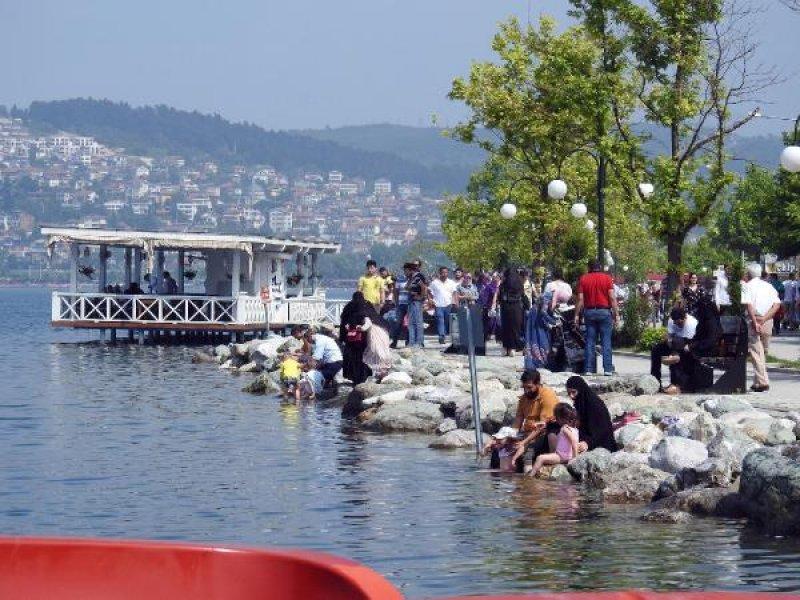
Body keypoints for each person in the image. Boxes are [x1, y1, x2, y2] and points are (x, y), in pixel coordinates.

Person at [509, 369, 559, 472]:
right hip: (527, 434)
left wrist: (524, 442)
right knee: (500, 450)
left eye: (529, 387)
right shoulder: (524, 398)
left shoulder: (547, 396)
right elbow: (518, 421)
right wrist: (510, 437)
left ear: (538, 384)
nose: (526, 391)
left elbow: (542, 426)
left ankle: (529, 481)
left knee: (527, 454)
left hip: (542, 435)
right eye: (524, 387)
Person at [575, 258, 618, 376]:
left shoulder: (584, 278)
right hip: (604, 312)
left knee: (590, 341)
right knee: (606, 341)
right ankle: (608, 369)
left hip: (589, 312)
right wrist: (616, 315)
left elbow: (580, 299)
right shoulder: (607, 278)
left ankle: (588, 369)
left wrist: (577, 314)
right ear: (600, 267)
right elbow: (612, 298)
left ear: (589, 267)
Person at [742, 263, 781, 392]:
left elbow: (749, 305)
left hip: (754, 319)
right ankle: (757, 382)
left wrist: (755, 321)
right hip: (768, 318)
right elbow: (776, 305)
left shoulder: (747, 286)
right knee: (762, 352)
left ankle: (763, 381)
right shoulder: (769, 286)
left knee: (755, 352)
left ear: (749, 273)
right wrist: (765, 319)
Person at [650, 306, 698, 394]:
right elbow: (669, 335)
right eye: (675, 323)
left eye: (679, 323)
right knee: (656, 349)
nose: (677, 325)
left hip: (688, 346)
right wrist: (668, 340)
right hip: (674, 343)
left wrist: (674, 353)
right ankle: (656, 381)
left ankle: (676, 384)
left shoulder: (692, 323)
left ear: (684, 318)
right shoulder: (672, 321)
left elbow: (691, 341)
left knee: (675, 355)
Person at [565, 376, 618, 453]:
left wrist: (588, 443)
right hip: (588, 437)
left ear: (581, 389)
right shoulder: (581, 402)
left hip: (602, 443)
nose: (571, 396)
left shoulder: (594, 404)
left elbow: (603, 430)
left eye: (573, 392)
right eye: (569, 393)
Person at [529, 403, 581, 477]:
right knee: (545, 457)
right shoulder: (575, 429)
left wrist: (575, 458)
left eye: (556, 418)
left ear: (561, 418)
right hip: (566, 456)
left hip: (562, 457)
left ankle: (530, 477)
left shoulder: (564, 429)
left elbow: (574, 441)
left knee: (540, 458)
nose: (556, 420)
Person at [292, 326, 344, 390]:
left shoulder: (320, 341)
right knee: (315, 373)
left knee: (313, 377)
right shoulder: (320, 339)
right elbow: (316, 360)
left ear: (309, 336)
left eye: (308, 340)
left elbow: (314, 360)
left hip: (334, 364)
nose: (309, 342)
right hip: (331, 363)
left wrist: (302, 366)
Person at [339, 292, 374, 385]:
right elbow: (371, 320)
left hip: (351, 339)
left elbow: (343, 321)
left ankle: (355, 378)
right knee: (364, 358)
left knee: (353, 359)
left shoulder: (349, 306)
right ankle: (364, 377)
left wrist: (343, 336)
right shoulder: (366, 305)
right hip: (363, 338)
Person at [492, 268, 525, 357]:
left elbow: (499, 297)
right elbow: (523, 296)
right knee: (515, 328)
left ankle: (505, 348)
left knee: (506, 327)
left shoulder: (503, 284)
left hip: (505, 307)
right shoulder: (519, 284)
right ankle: (513, 349)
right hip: (516, 307)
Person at [429, 266, 457, 344]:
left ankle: (444, 334)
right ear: (440, 273)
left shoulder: (451, 282)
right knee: (440, 320)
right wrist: (430, 300)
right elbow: (428, 291)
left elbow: (455, 293)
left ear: (448, 273)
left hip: (448, 304)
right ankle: (441, 336)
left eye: (446, 272)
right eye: (442, 273)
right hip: (438, 305)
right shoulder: (434, 282)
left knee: (447, 321)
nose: (444, 274)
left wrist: (455, 302)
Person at [405, 261, 428, 348]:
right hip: (411, 301)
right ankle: (411, 341)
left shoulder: (418, 277)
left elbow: (424, 287)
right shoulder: (411, 278)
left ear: (410, 270)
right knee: (411, 322)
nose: (405, 273)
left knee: (418, 322)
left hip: (416, 302)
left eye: (406, 271)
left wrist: (421, 297)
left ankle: (419, 342)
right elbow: (406, 287)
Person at [390, 264, 411, 348]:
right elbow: (396, 291)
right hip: (401, 304)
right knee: (398, 323)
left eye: (408, 270)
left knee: (409, 324)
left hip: (410, 304)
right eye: (405, 270)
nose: (407, 272)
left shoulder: (414, 279)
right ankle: (394, 342)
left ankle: (408, 342)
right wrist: (396, 302)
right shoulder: (399, 279)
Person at [479, 272, 501, 343]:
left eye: (496, 277)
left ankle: (497, 338)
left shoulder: (502, 286)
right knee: (490, 324)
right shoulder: (489, 286)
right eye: (493, 277)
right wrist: (487, 307)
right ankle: (489, 337)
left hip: (500, 308)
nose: (494, 278)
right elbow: (485, 298)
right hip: (490, 309)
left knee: (498, 324)